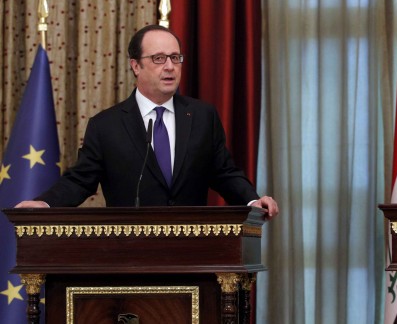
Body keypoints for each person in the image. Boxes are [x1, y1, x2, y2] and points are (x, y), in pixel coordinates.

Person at [16, 25, 278, 218]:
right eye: (158, 58)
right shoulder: (106, 125)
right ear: (135, 66)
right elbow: (81, 180)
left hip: (194, 251)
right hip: (129, 254)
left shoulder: (202, 116)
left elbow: (224, 173)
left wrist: (252, 201)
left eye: (175, 58)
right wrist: (45, 203)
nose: (169, 67)